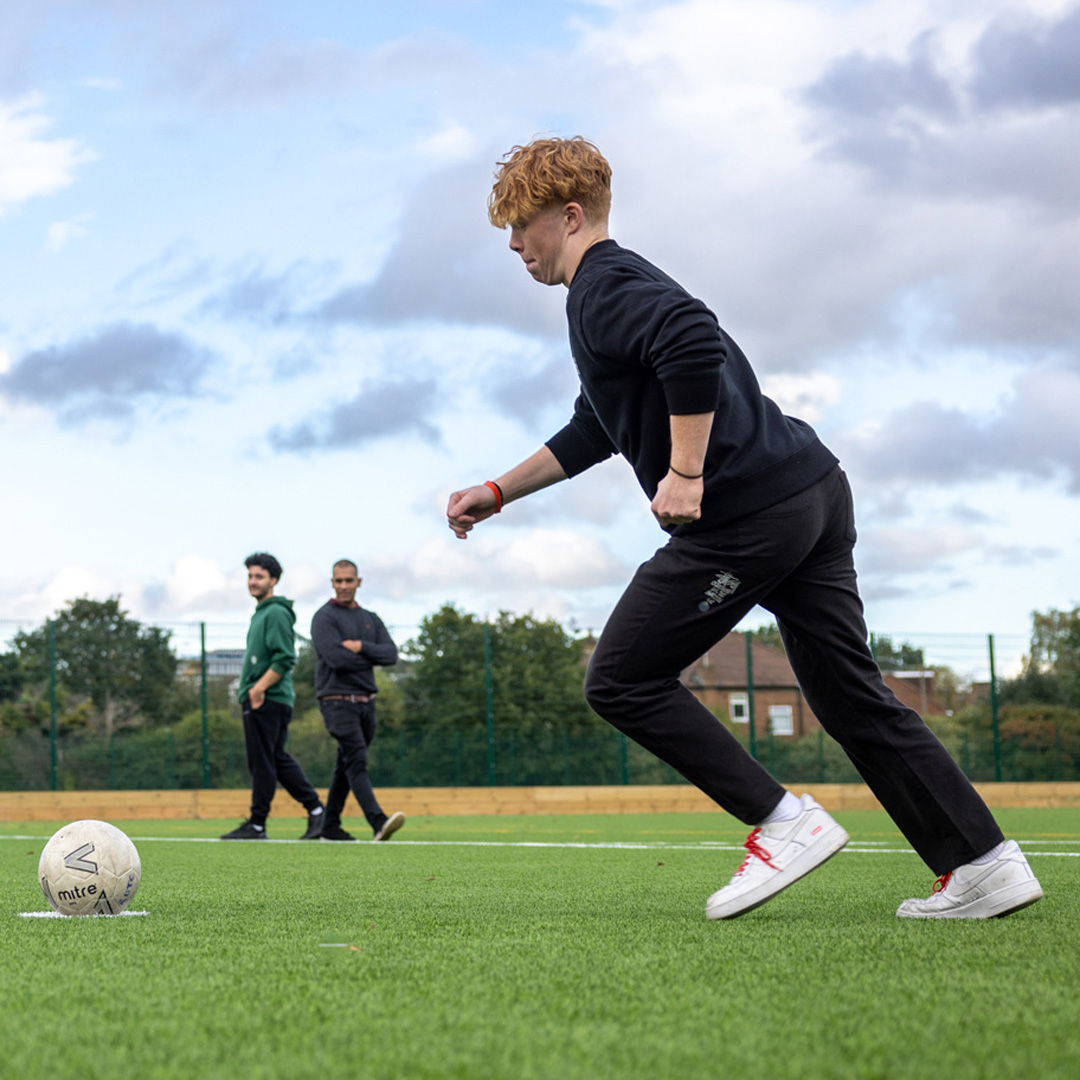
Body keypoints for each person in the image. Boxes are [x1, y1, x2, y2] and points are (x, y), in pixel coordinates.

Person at [446, 136, 1043, 920]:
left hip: (748, 512)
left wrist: (687, 472)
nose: (516, 247)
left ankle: (782, 822)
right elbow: (599, 423)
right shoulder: (616, 290)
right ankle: (983, 862)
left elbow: (690, 337)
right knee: (850, 694)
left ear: (571, 213)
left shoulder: (602, 284)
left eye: (523, 227)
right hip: (812, 491)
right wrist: (500, 489)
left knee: (620, 676)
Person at [221, 553, 326, 841]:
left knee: (263, 761)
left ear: (273, 580)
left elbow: (284, 658)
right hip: (266, 698)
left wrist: (258, 689)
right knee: (274, 759)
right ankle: (316, 811)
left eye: (259, 577)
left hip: (267, 699)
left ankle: (257, 824)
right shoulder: (262, 613)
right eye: (251, 576)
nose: (253, 582)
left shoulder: (276, 613)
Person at [310, 559, 405, 842]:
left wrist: (361, 646)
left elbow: (390, 655)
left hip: (367, 702)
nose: (343, 586)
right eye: (338, 581)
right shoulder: (324, 618)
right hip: (336, 701)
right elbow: (335, 658)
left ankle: (329, 828)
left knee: (347, 764)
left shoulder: (370, 619)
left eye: (348, 581)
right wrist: (369, 658)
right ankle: (378, 822)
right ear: (332, 582)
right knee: (357, 760)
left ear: (358, 582)